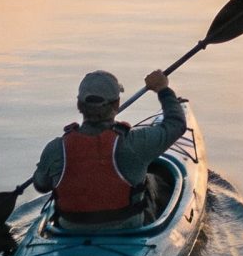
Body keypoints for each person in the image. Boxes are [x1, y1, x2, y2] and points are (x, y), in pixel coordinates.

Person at [31, 68, 187, 230]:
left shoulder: (56, 148)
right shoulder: (134, 143)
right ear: (117, 104)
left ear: (79, 105)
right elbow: (176, 125)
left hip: (69, 229)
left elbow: (41, 185)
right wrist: (163, 90)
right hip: (127, 229)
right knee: (150, 181)